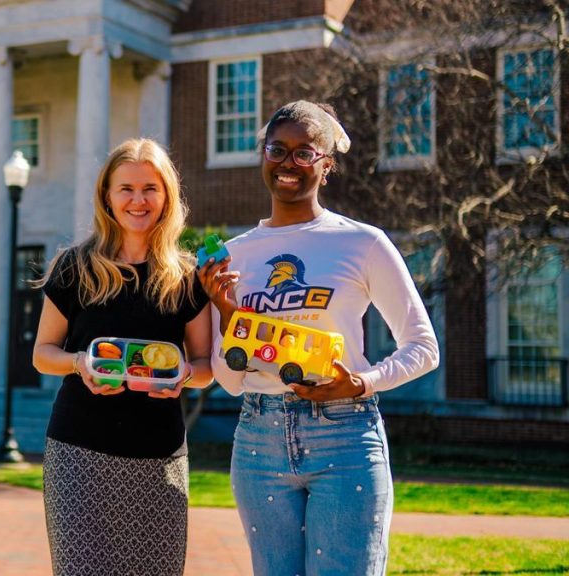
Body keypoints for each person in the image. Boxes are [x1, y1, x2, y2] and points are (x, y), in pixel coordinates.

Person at [199, 101, 439, 576]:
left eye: (305, 154)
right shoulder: (231, 256)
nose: (288, 163)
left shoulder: (362, 242)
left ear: (326, 166)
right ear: (263, 157)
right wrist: (229, 314)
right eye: (278, 149)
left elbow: (423, 346)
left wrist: (362, 382)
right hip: (258, 440)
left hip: (345, 436)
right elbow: (229, 379)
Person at [33, 138, 213, 575]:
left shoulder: (188, 277)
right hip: (78, 454)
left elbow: (207, 367)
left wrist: (184, 375)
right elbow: (42, 354)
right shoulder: (75, 267)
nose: (138, 200)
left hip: (159, 458)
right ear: (107, 197)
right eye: (126, 188)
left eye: (150, 188)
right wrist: (80, 363)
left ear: (167, 196)